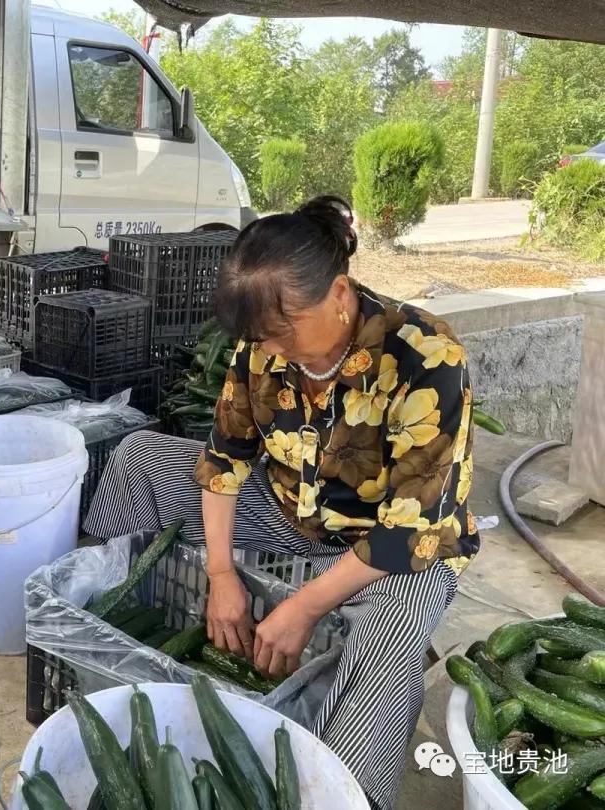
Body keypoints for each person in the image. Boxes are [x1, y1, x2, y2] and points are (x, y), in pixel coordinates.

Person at [84, 195, 478, 810]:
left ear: (340, 294)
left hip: (392, 550)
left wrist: (303, 608)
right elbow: (224, 461)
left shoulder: (425, 356)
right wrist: (219, 573)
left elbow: (414, 529)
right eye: (262, 335)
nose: (274, 346)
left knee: (394, 625)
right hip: (290, 510)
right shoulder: (262, 350)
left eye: (286, 328)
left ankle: (343, 794)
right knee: (137, 458)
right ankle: (122, 653)